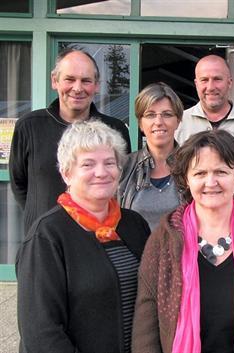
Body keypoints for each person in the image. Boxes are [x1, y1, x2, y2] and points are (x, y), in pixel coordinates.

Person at [132, 129, 234, 353]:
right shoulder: (164, 238)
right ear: (186, 179)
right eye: (200, 173)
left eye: (221, 171)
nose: (211, 182)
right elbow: (146, 330)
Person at [16, 120, 150, 353]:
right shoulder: (46, 237)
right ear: (67, 173)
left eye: (110, 162)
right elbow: (41, 333)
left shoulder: (134, 224)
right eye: (88, 164)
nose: (101, 172)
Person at [9, 48, 131, 233]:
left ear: (97, 85)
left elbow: (120, 183)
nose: (78, 88)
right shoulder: (29, 126)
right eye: (70, 79)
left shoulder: (114, 130)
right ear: (54, 81)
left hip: (98, 239)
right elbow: (19, 182)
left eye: (86, 81)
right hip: (43, 240)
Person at [175, 54, 234, 154]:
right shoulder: (179, 123)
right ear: (196, 84)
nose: (210, 87)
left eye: (217, 79)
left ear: (230, 82)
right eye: (204, 80)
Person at [119, 83, 182, 230]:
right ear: (140, 123)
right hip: (135, 252)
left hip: (183, 252)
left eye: (167, 114)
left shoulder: (193, 165)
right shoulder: (123, 167)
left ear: (178, 121)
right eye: (150, 115)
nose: (158, 122)